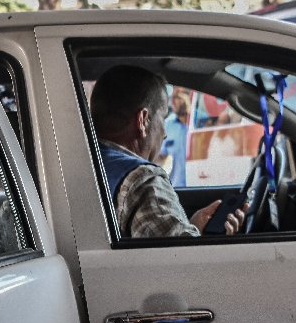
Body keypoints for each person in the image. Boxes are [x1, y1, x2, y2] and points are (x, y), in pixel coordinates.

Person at [91, 65, 245, 238]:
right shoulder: (142, 180)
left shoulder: (83, 166)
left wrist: (191, 227)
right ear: (143, 120)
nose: (164, 133)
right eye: (162, 118)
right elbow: (184, 260)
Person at [159, 86, 189, 187]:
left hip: (200, 185)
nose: (173, 101)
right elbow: (159, 158)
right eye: (173, 97)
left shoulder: (202, 123)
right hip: (176, 189)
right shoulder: (167, 125)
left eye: (178, 96)